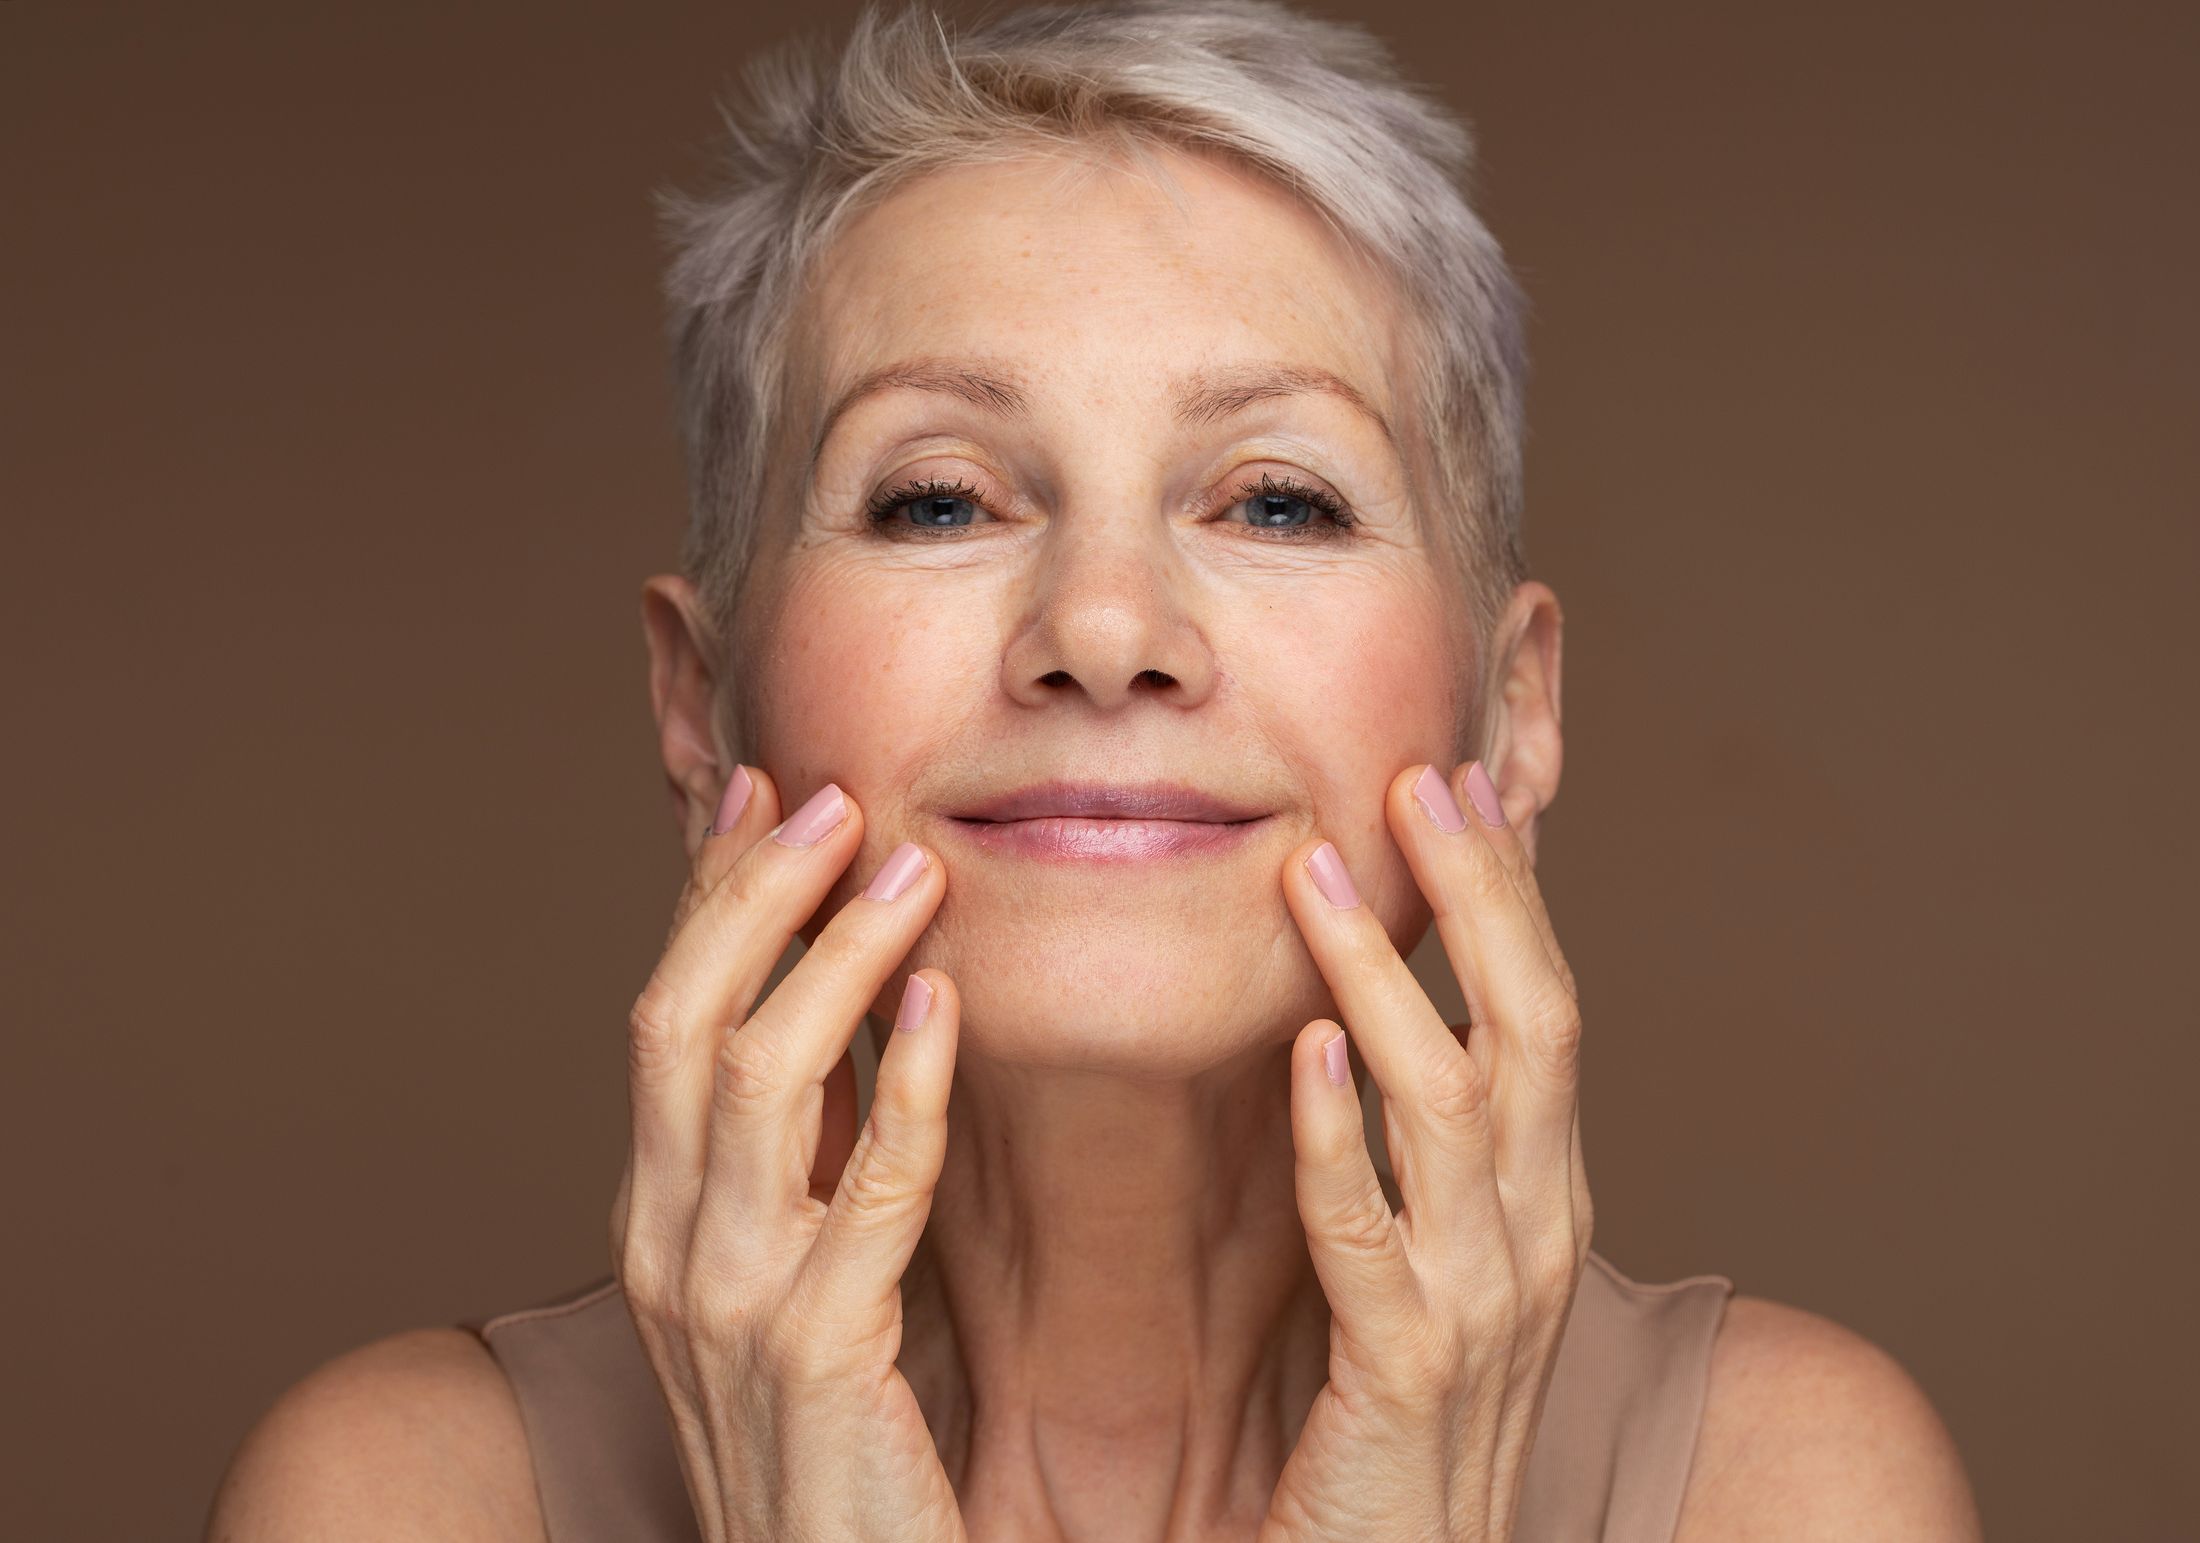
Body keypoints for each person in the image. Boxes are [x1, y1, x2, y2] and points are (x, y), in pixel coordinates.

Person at [203, 2, 1983, 1538]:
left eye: (1280, 497)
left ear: (1510, 716)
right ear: (698, 701)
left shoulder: (1795, 1485)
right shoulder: (399, 1496)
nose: (1108, 624)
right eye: (939, 497)